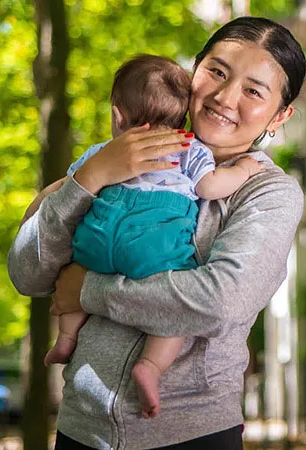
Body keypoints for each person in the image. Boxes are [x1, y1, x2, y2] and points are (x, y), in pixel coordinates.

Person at [8, 16, 306, 450]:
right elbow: (27, 273)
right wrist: (88, 179)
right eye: (217, 72)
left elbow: (219, 302)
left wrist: (89, 290)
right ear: (193, 71)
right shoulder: (120, 159)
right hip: (79, 430)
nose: (225, 97)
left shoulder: (269, 192)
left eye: (253, 91)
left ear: (279, 116)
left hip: (189, 434)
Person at [40, 54, 265, 420]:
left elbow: (68, 190)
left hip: (98, 236)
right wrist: (243, 169)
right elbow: (210, 187)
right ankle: (151, 366)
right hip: (152, 243)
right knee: (172, 304)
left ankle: (65, 338)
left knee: (74, 273)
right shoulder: (189, 148)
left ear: (117, 115)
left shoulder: (102, 154)